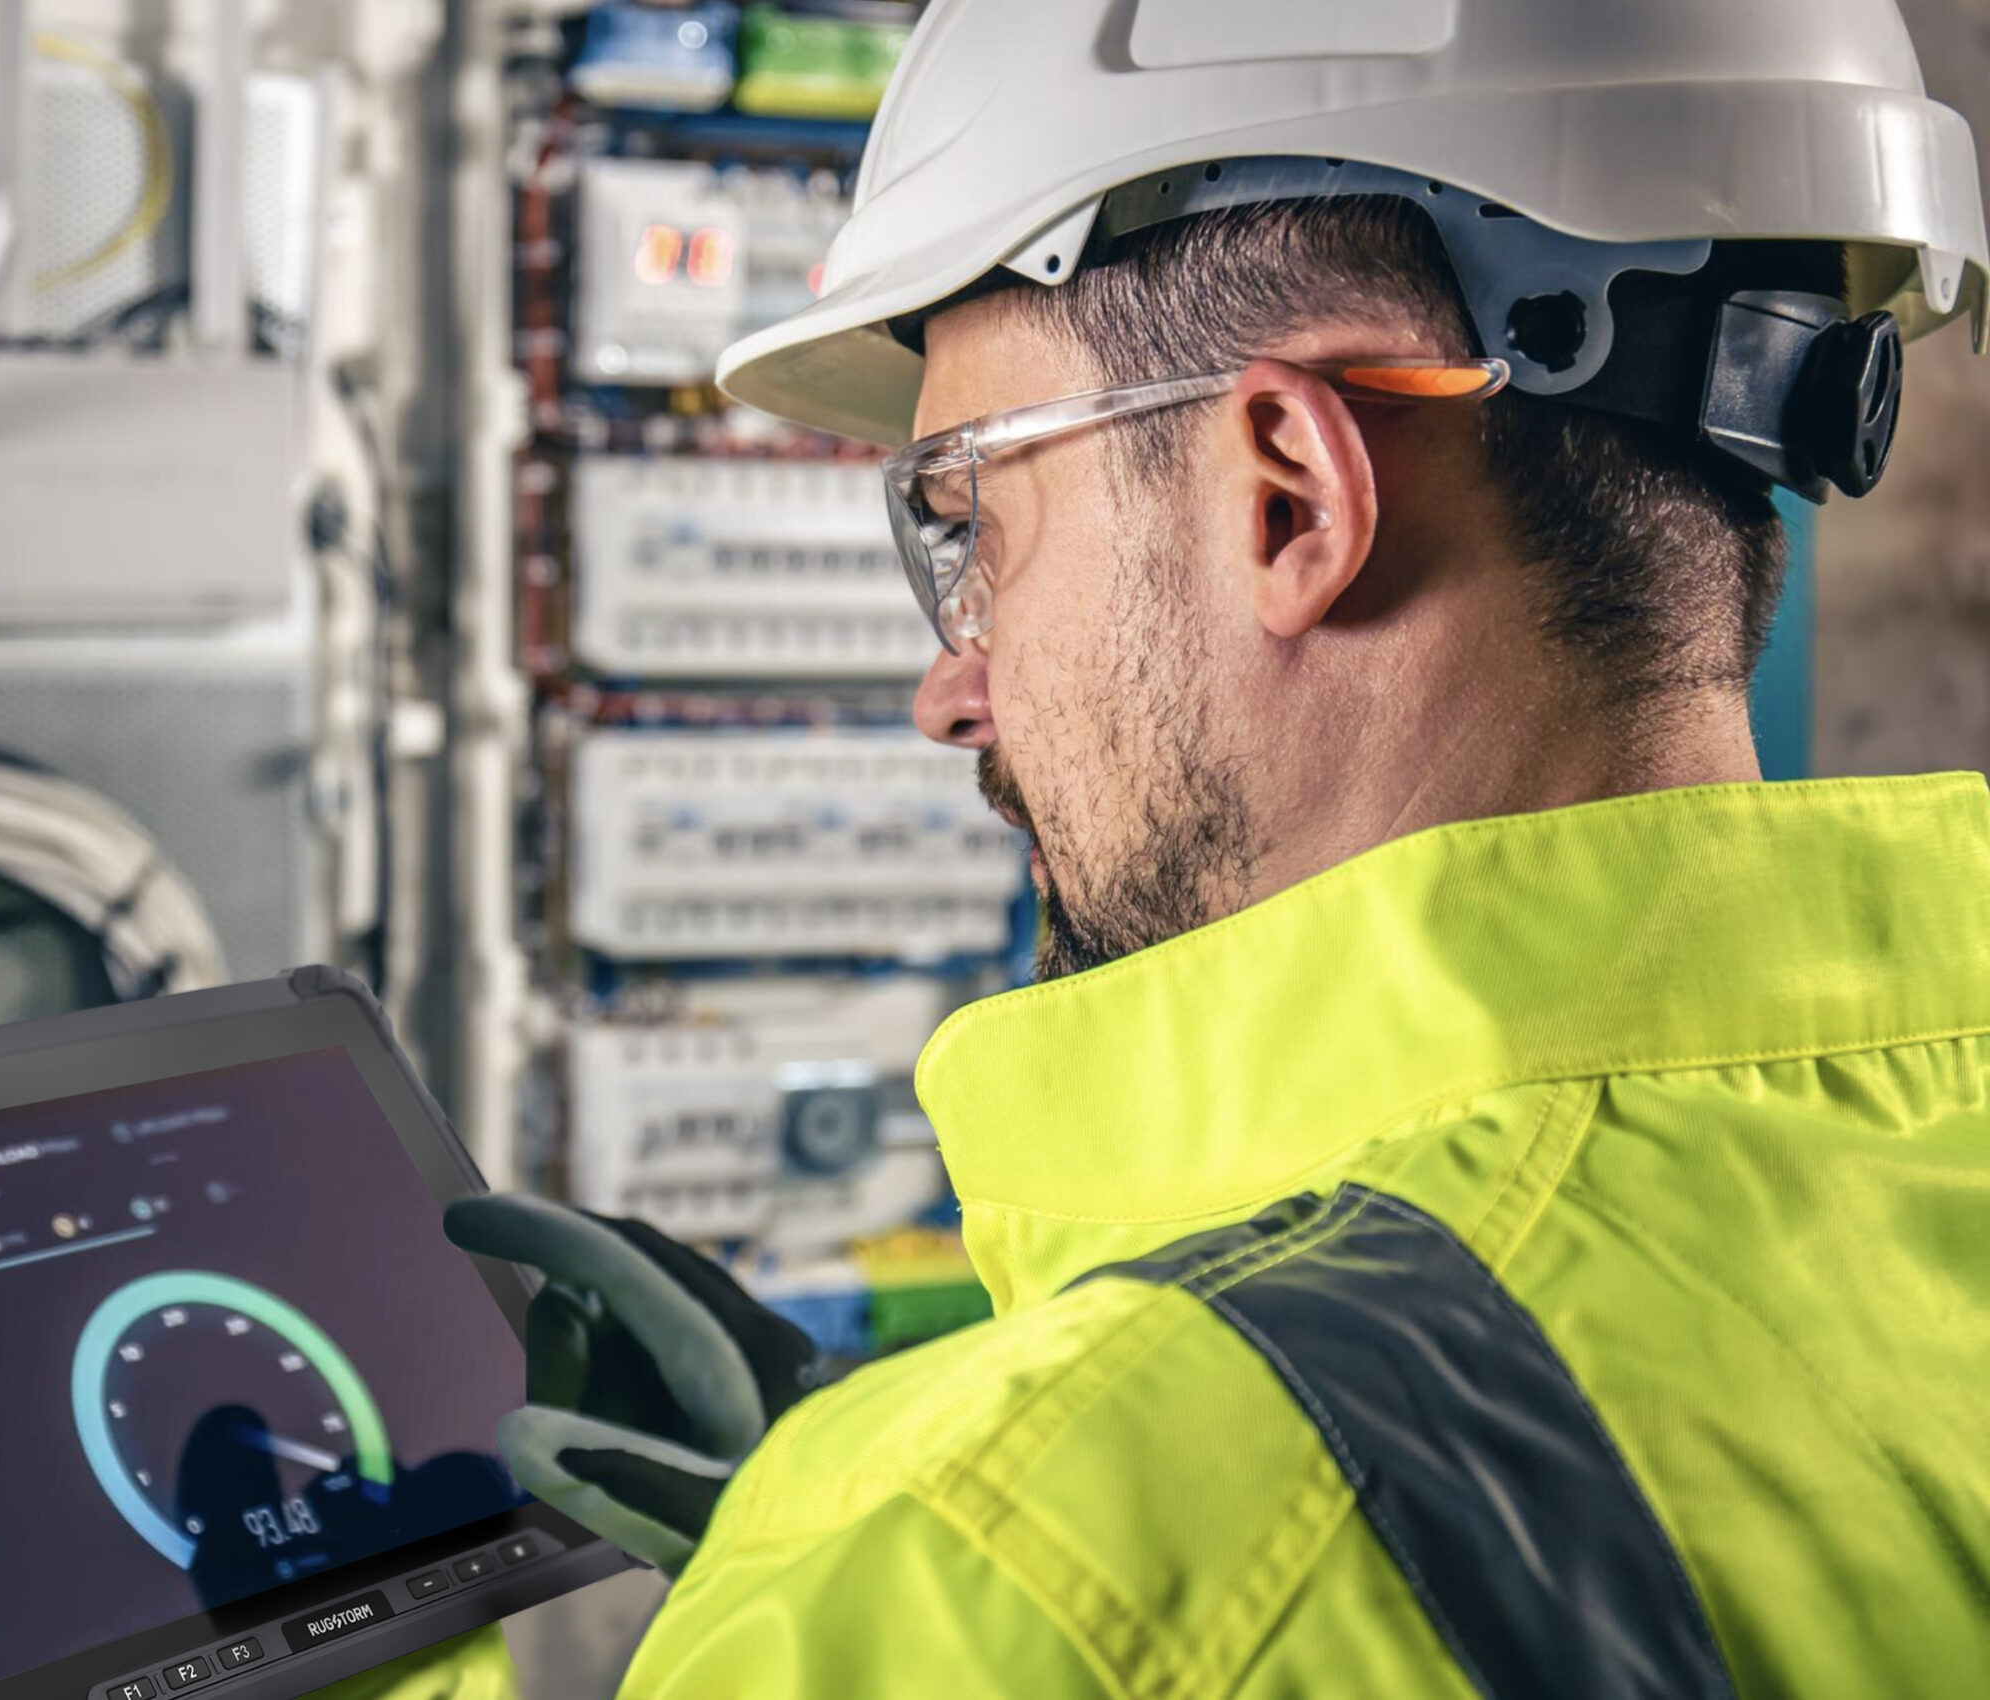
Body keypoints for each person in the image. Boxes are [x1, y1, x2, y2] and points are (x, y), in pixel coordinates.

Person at [359, 0, 1990, 1692]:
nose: (951, 687)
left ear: (1288, 493)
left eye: (973, 522)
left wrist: (902, 1563)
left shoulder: (1020, 1587)